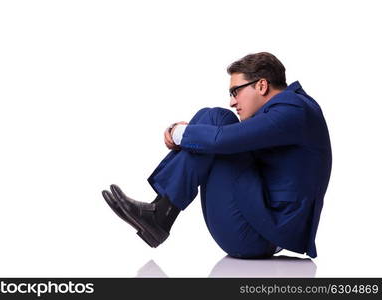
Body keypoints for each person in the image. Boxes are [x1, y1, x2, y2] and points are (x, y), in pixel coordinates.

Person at [102, 52, 332, 258]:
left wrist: (179, 132)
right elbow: (223, 139)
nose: (232, 101)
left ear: (262, 85)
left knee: (215, 121)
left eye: (236, 91)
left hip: (259, 235)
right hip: (258, 223)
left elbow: (221, 139)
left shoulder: (293, 109)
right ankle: (161, 213)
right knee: (213, 119)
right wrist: (192, 134)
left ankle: (161, 214)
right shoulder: (288, 111)